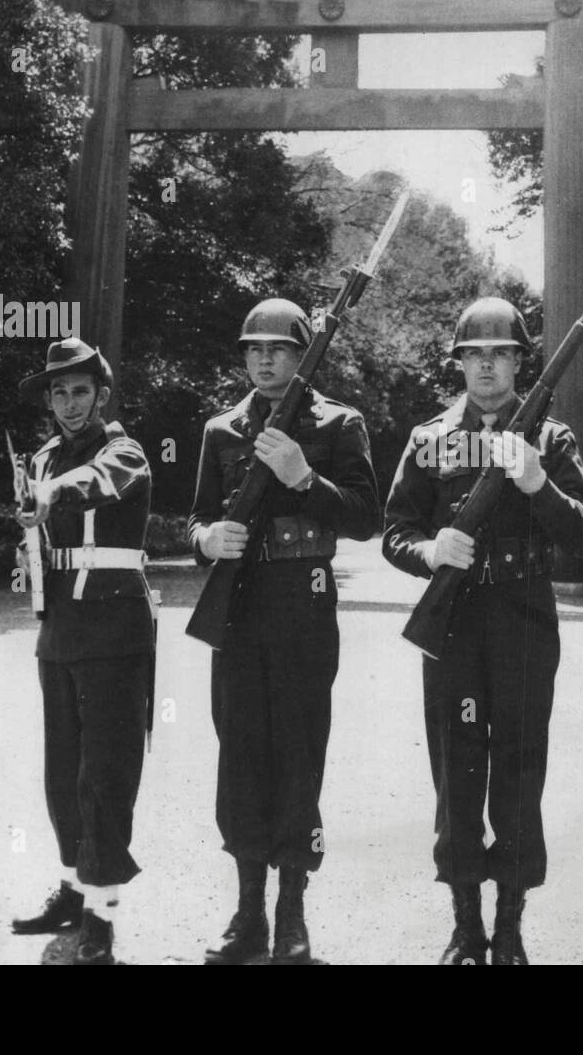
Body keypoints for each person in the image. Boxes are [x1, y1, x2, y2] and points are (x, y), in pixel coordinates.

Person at [382, 297, 583, 965]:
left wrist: (536, 482)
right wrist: (429, 551)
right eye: (474, 354)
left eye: (499, 353)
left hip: (523, 619)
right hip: (453, 623)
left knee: (519, 767)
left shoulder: (552, 439)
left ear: (517, 362)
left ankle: (510, 926)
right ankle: (465, 926)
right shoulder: (429, 438)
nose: (486, 365)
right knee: (457, 768)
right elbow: (394, 530)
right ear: (459, 363)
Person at [188, 298, 379, 965]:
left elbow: (365, 518)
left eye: (277, 348)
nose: (263, 358)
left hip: (304, 596)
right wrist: (208, 537)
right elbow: (196, 523)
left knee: (298, 747)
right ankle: (248, 913)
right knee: (239, 748)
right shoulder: (222, 429)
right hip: (238, 600)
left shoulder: (337, 422)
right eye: (252, 348)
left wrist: (305, 476)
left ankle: (291, 908)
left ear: (303, 353)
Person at [9, 338, 155, 967]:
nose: (71, 403)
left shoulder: (123, 450)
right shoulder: (41, 456)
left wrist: (52, 495)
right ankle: (74, 889)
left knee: (106, 774)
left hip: (115, 628)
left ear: (102, 394)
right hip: (60, 628)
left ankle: (103, 915)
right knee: (63, 773)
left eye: (82, 391)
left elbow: (99, 481)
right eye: (60, 392)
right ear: (49, 399)